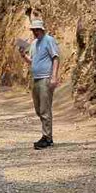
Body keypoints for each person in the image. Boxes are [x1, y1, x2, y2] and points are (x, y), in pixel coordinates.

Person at [24, 17, 60, 150]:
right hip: (36, 79)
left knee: (45, 109)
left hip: (46, 78)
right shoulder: (34, 44)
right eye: (33, 30)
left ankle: (47, 137)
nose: (35, 32)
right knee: (39, 109)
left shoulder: (49, 40)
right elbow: (32, 61)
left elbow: (55, 57)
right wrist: (23, 56)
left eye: (37, 30)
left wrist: (54, 77)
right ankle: (46, 136)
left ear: (42, 29)